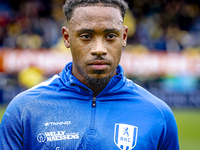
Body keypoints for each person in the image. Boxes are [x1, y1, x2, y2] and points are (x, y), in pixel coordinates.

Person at [0, 0, 179, 149]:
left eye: (110, 36)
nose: (99, 49)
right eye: (86, 36)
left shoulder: (158, 115)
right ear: (66, 37)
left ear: (124, 36)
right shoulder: (24, 110)